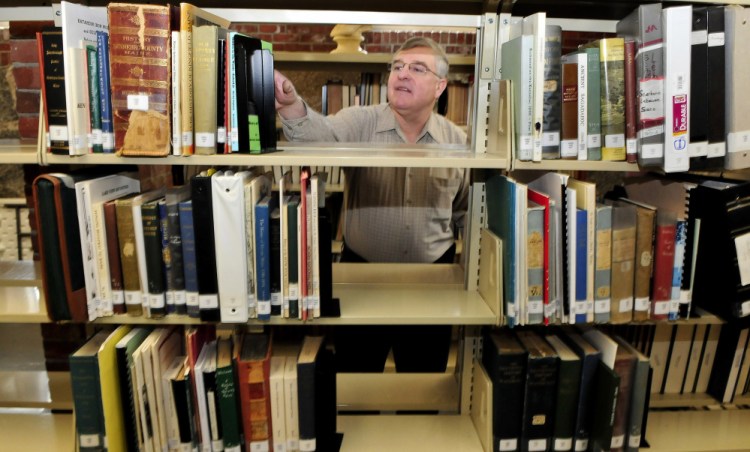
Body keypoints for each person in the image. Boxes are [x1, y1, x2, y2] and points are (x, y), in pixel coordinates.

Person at [274, 36, 469, 372]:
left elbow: (467, 210)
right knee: (356, 380)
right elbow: (320, 139)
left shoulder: (458, 141)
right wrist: (290, 104)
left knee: (422, 388)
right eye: (397, 67)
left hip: (432, 285)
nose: (402, 74)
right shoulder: (359, 121)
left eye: (417, 68)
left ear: (440, 87)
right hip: (362, 281)